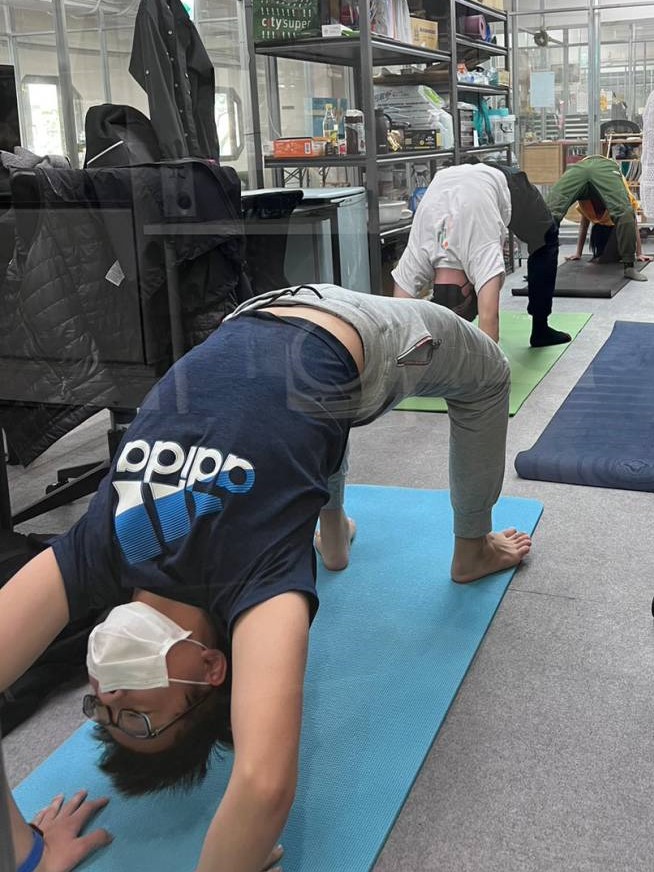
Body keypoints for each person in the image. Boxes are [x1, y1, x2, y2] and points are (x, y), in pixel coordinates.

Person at [1, 284, 532, 872]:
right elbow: (263, 785)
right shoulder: (258, 582)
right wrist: (240, 853)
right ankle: (467, 550)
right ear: (211, 670)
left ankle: (338, 529)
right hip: (356, 335)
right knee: (489, 374)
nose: (110, 696)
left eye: (100, 712)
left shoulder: (99, 552)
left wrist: (27, 856)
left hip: (249, 316)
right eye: (138, 720)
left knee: (303, 434)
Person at [392, 160, 571, 347]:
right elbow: (396, 321)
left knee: (546, 238)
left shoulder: (480, 253)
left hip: (502, 181)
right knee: (543, 239)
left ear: (472, 291)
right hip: (452, 176)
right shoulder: (419, 253)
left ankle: (541, 330)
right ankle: (540, 327)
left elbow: (489, 327)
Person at [547, 154, 648, 281]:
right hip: (599, 166)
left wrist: (638, 253)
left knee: (549, 213)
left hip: (582, 169)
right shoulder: (616, 188)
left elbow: (629, 220)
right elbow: (630, 219)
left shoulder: (591, 201)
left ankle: (540, 268)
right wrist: (578, 253)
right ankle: (629, 268)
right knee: (548, 214)